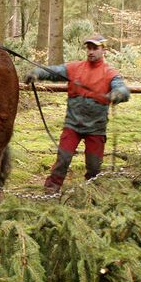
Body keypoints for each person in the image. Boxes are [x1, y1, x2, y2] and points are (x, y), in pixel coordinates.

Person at [24, 35, 130, 194]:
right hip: (72, 125)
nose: (91, 51)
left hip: (96, 128)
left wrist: (117, 94)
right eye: (89, 48)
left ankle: (91, 192)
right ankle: (51, 190)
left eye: (95, 48)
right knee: (63, 159)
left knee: (94, 166)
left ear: (103, 50)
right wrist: (37, 73)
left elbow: (122, 89)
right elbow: (54, 71)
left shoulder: (110, 73)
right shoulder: (74, 68)